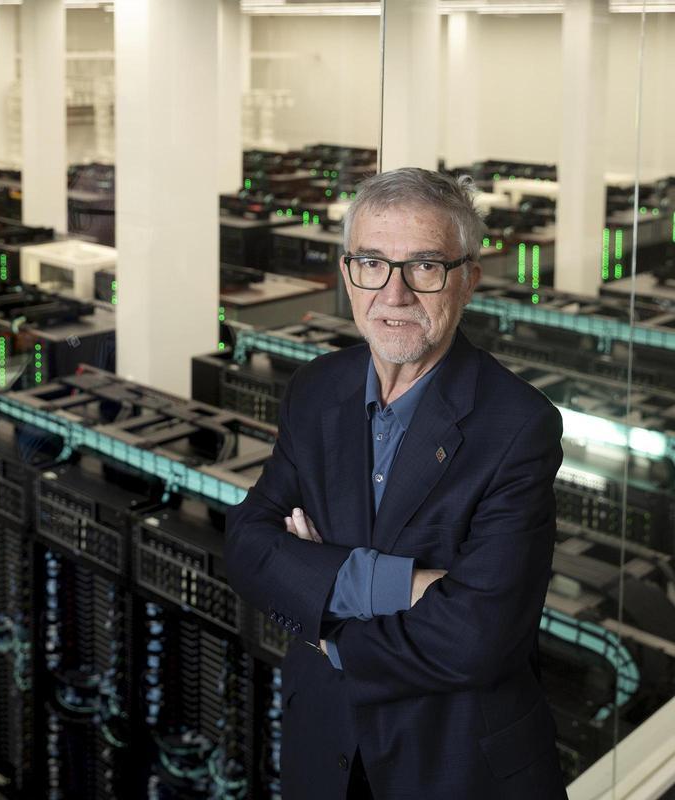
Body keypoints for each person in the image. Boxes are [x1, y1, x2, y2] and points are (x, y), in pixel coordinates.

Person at [224, 167, 567, 799]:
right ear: (347, 274)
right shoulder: (315, 390)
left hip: (453, 763)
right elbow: (247, 543)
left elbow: (476, 636)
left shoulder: (519, 426)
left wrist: (325, 620)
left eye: (425, 266)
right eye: (372, 263)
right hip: (324, 746)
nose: (395, 293)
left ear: (467, 280)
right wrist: (400, 584)